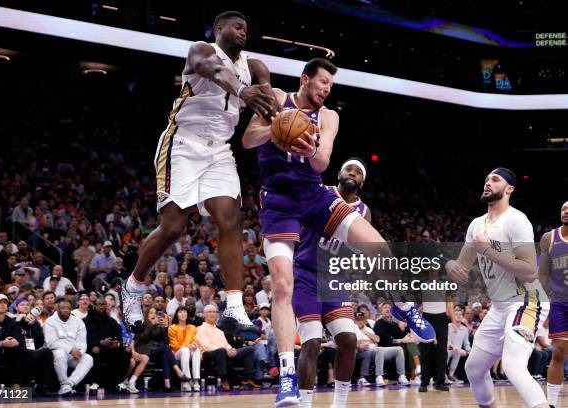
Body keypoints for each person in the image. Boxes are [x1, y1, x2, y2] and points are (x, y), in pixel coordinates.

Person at [242, 58, 435, 405]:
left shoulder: (329, 116)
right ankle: (287, 378)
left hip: (313, 195)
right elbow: (247, 139)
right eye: (323, 83)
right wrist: (276, 129)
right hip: (279, 201)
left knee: (377, 244)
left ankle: (405, 305)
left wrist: (310, 146)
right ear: (305, 80)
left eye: (331, 85)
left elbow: (322, 162)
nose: (327, 90)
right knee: (282, 286)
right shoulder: (276, 100)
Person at [120, 10, 277, 341]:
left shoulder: (257, 67)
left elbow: (268, 107)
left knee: (231, 220)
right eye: (236, 25)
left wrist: (286, 120)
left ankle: (234, 307)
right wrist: (243, 92)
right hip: (183, 142)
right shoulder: (201, 51)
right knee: (174, 227)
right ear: (218, 28)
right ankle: (133, 285)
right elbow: (215, 70)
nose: (242, 31)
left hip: (219, 148)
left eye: (246, 27)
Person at [446, 168, 550, 408]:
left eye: (495, 179)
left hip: (527, 300)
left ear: (509, 189)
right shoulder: (476, 225)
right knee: (473, 368)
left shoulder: (516, 220)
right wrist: (452, 265)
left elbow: (529, 270)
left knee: (513, 366)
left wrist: (488, 250)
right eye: (486, 180)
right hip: (500, 306)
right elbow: (462, 265)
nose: (488, 183)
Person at [291, 158, 369, 408]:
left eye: (358, 173)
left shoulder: (364, 212)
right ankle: (305, 404)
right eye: (349, 169)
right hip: (306, 273)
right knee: (312, 342)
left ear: (362, 182)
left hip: (335, 279)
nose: (353, 174)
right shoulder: (321, 192)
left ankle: (340, 404)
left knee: (348, 339)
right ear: (339, 173)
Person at [539, 201, 568, 408]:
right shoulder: (549, 238)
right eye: (563, 209)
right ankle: (552, 404)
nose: (566, 212)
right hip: (559, 302)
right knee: (558, 352)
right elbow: (543, 274)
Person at [195, 303, 258, 391]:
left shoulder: (219, 331)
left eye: (214, 312)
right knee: (221, 351)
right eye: (209, 312)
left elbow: (226, 344)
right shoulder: (201, 329)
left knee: (249, 350)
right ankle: (224, 381)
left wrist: (231, 350)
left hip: (223, 353)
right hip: (207, 355)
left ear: (217, 315)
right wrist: (225, 350)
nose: (212, 314)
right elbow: (206, 346)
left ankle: (247, 380)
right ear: (204, 314)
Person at [44, 297, 93, 395]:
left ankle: (68, 384)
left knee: (88, 358)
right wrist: (71, 349)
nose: (66, 310)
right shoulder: (50, 321)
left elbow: (82, 341)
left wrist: (80, 352)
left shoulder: (78, 321)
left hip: (73, 355)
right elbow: (51, 342)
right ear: (58, 309)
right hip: (55, 352)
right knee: (60, 353)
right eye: (63, 308)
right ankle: (63, 382)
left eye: (68, 308)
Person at [83, 297, 131, 389]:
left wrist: (116, 342)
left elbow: (119, 337)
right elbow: (84, 339)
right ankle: (95, 382)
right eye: (99, 305)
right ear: (94, 306)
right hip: (93, 347)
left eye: (103, 305)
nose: (101, 307)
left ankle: (118, 382)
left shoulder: (111, 321)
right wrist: (100, 343)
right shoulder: (86, 321)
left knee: (127, 350)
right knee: (96, 350)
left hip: (110, 348)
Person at [168, 305, 201, 391]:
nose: (182, 314)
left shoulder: (192, 328)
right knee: (185, 350)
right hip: (177, 353)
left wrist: (194, 345)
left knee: (197, 350)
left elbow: (194, 341)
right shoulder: (172, 328)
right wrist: (187, 346)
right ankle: (186, 380)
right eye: (180, 312)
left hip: (189, 352)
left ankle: (196, 381)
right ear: (177, 315)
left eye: (184, 312)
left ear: (187, 314)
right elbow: (174, 345)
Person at [447, 305, 471, 383]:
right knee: (447, 353)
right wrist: (457, 349)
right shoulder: (448, 327)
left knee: (459, 354)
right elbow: (448, 342)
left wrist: (470, 351)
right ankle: (443, 375)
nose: (458, 316)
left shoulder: (465, 329)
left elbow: (466, 343)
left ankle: (451, 375)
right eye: (456, 315)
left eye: (460, 315)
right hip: (448, 348)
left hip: (458, 351)